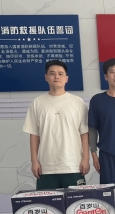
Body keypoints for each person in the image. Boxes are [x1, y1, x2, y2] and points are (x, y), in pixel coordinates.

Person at [23, 60, 90, 189]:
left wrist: (86, 159)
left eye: (60, 74)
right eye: (52, 73)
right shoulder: (37, 103)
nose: (56, 77)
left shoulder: (78, 102)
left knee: (76, 201)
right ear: (46, 77)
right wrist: (34, 161)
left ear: (66, 78)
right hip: (46, 167)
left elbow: (84, 133)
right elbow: (34, 135)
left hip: (73, 165)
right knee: (46, 202)